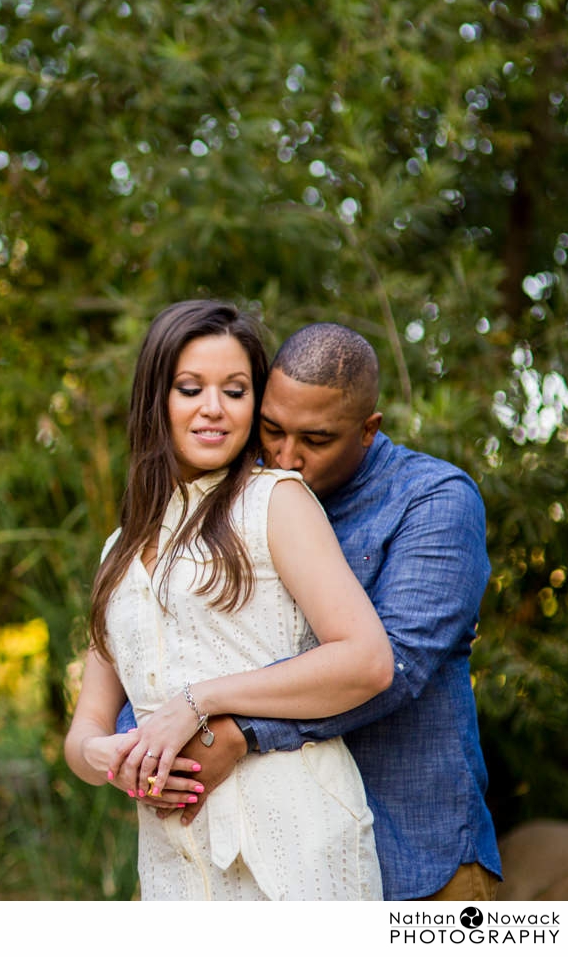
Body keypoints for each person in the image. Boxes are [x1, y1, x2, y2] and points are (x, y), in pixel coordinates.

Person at [119, 322, 502, 901]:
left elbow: (393, 669)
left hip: (424, 856)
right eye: (272, 430)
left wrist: (239, 731)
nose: (286, 456)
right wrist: (146, 743)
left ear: (369, 430)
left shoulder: (434, 500)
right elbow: (173, 649)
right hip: (292, 853)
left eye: (316, 440)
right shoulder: (238, 504)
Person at [65, 300, 395, 900]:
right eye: (190, 388)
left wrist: (200, 701)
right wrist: (111, 757)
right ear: (155, 400)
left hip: (299, 855)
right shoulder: (120, 546)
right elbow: (84, 729)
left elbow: (366, 660)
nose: (213, 408)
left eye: (236, 391)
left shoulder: (277, 501)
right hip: (176, 871)